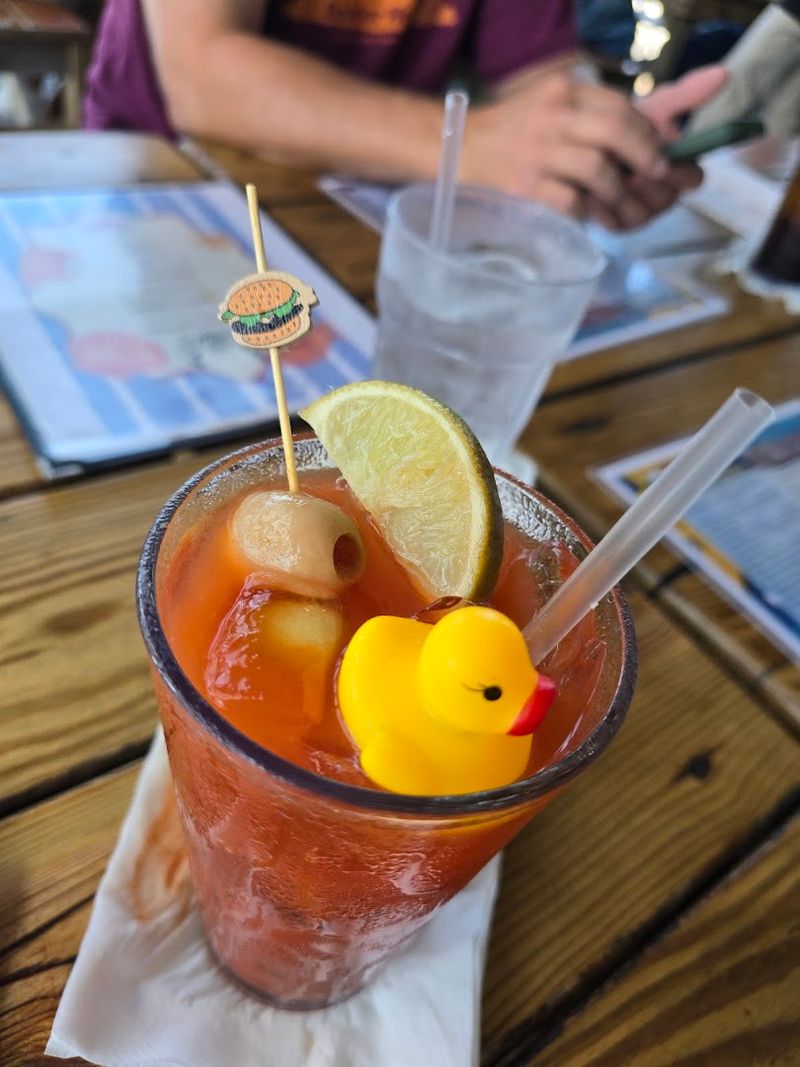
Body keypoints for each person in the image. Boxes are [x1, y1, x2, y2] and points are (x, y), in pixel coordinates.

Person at [84, 0, 727, 230]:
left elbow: (546, 75)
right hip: (151, 182)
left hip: (350, 201)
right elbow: (204, 73)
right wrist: (473, 146)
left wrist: (593, 141)